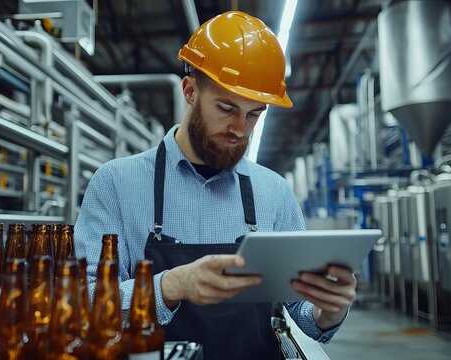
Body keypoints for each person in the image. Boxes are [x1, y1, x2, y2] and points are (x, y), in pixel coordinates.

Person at [75, 10, 356, 360]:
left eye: (254, 114)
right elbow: (83, 304)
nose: (240, 128)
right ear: (190, 91)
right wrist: (169, 286)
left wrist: (327, 310)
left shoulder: (274, 192)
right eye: (226, 108)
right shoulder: (116, 184)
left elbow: (300, 309)